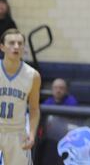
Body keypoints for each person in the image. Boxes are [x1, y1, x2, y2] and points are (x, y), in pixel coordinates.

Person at [0, 29, 40, 164]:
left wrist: (32, 135)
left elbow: (34, 109)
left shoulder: (33, 75)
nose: (16, 46)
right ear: (2, 47)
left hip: (17, 135)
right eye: (11, 43)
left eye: (20, 43)